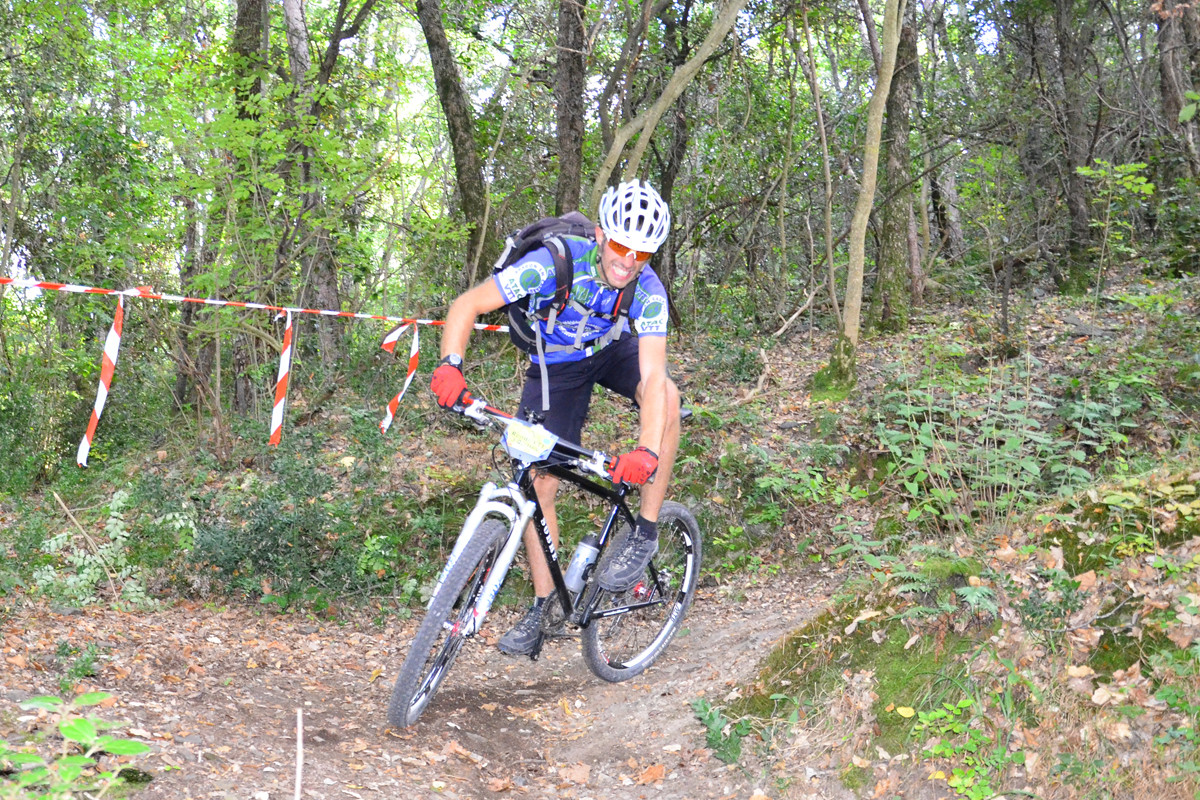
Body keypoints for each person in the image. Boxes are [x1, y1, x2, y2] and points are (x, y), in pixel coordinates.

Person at [429, 179, 682, 656]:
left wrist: (646, 449)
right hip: (556, 366)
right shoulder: (553, 263)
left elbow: (651, 375)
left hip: (610, 352)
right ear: (604, 234)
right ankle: (544, 606)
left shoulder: (648, 292)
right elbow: (468, 304)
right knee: (537, 480)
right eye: (623, 245)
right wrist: (450, 364)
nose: (628, 262)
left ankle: (644, 532)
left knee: (667, 396)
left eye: (643, 254)